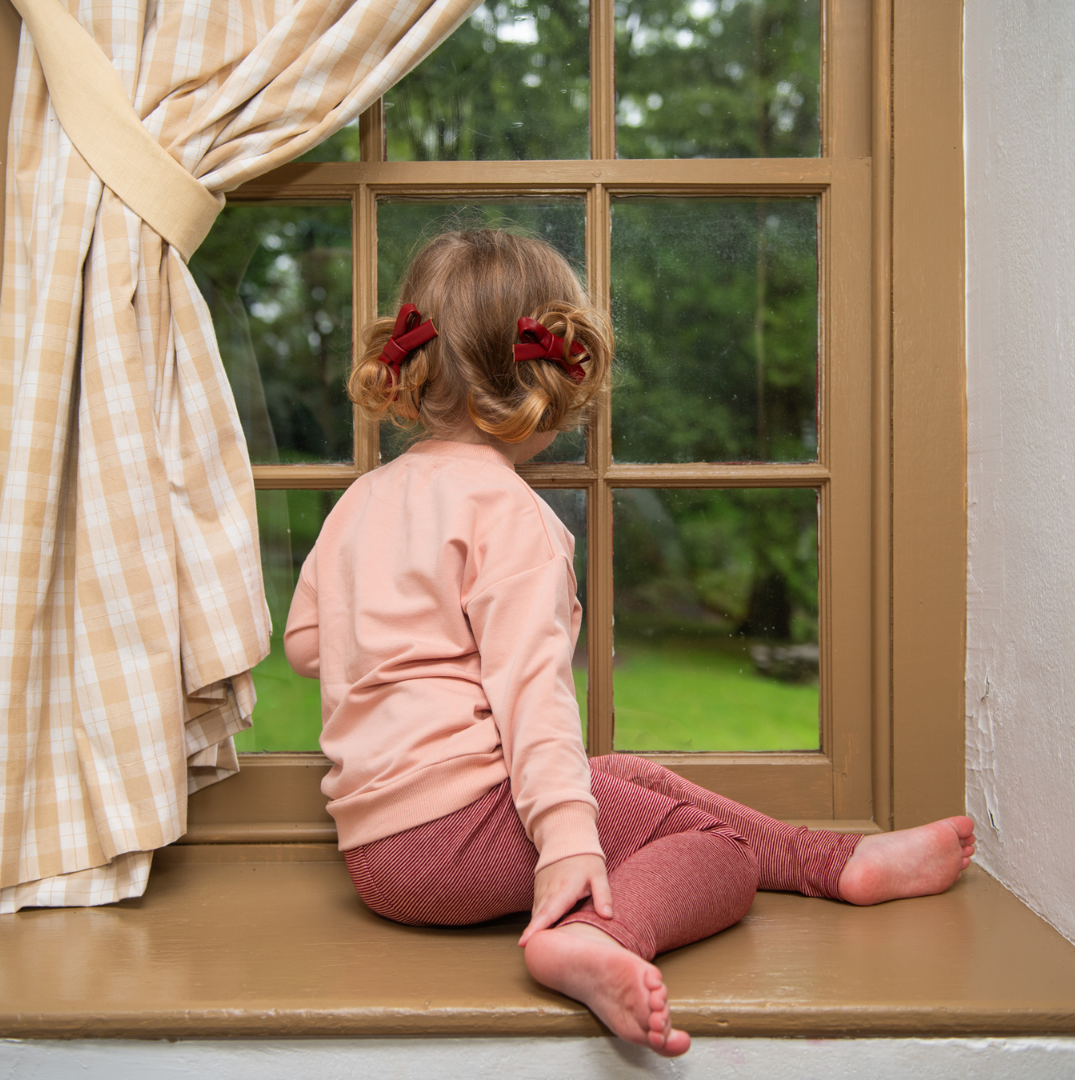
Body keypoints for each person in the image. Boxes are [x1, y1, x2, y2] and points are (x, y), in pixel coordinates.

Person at [284, 229, 976, 1058]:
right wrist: (568, 846)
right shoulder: (508, 516)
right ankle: (599, 939)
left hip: (378, 857)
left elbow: (306, 645)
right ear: (546, 378)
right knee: (714, 850)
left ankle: (835, 862)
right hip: (458, 840)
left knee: (622, 778)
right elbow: (535, 701)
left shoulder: (362, 501)